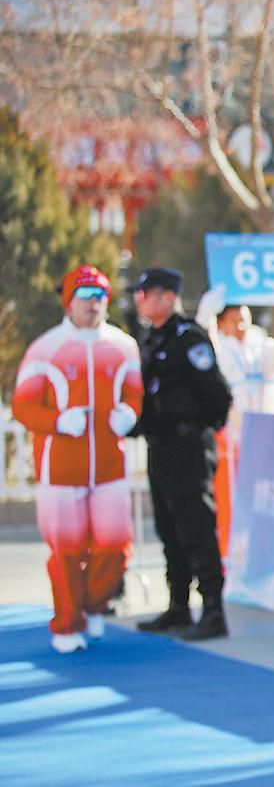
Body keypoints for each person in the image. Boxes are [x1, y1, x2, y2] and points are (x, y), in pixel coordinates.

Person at [11, 265, 143, 653]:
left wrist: (130, 413)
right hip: (60, 470)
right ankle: (67, 625)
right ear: (69, 303)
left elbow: (134, 393)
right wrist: (57, 422)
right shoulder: (45, 348)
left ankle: (93, 605)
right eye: (84, 297)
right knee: (66, 552)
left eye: (99, 297)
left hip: (109, 466)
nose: (93, 304)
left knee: (115, 547)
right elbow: (23, 406)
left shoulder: (123, 347)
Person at [131, 267, 233, 641]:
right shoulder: (153, 338)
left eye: (146, 294)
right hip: (160, 446)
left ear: (166, 297)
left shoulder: (188, 338)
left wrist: (194, 429)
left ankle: (213, 611)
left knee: (196, 528)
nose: (140, 301)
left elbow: (217, 395)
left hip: (188, 446)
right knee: (169, 528)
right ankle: (178, 605)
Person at [195, 285, 274, 557]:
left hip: (268, 443)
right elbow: (203, 346)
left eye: (244, 317)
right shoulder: (219, 351)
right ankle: (231, 563)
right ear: (222, 323)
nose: (241, 324)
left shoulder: (261, 348)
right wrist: (204, 316)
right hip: (231, 446)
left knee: (270, 506)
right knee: (232, 507)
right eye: (234, 319)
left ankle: (268, 560)